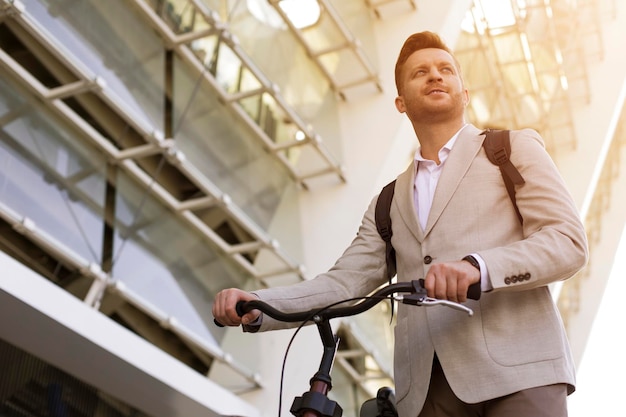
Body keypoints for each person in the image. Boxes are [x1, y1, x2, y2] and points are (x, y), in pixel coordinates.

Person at [212, 31, 588, 417]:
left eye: (446, 70)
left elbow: (567, 242)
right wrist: (261, 305)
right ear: (400, 102)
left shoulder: (510, 149)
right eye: (420, 72)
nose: (436, 76)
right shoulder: (388, 202)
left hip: (519, 375)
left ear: (465, 92)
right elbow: (343, 284)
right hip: (425, 393)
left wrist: (478, 268)